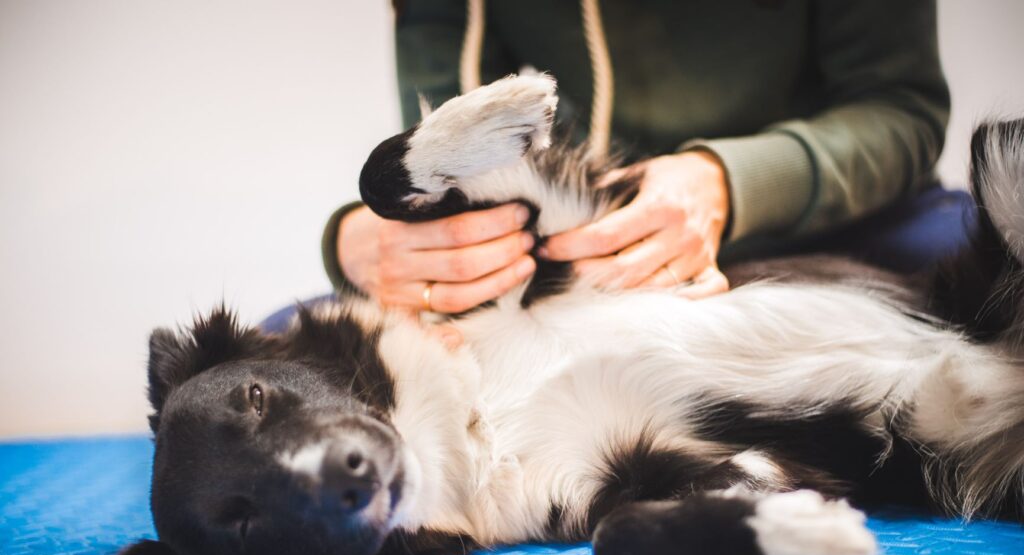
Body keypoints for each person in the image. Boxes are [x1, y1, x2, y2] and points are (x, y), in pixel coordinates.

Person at [321, 0, 950, 315]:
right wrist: (356, 243)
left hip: (839, 223)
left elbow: (901, 108)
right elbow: (450, 140)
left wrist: (728, 183)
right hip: (581, 258)